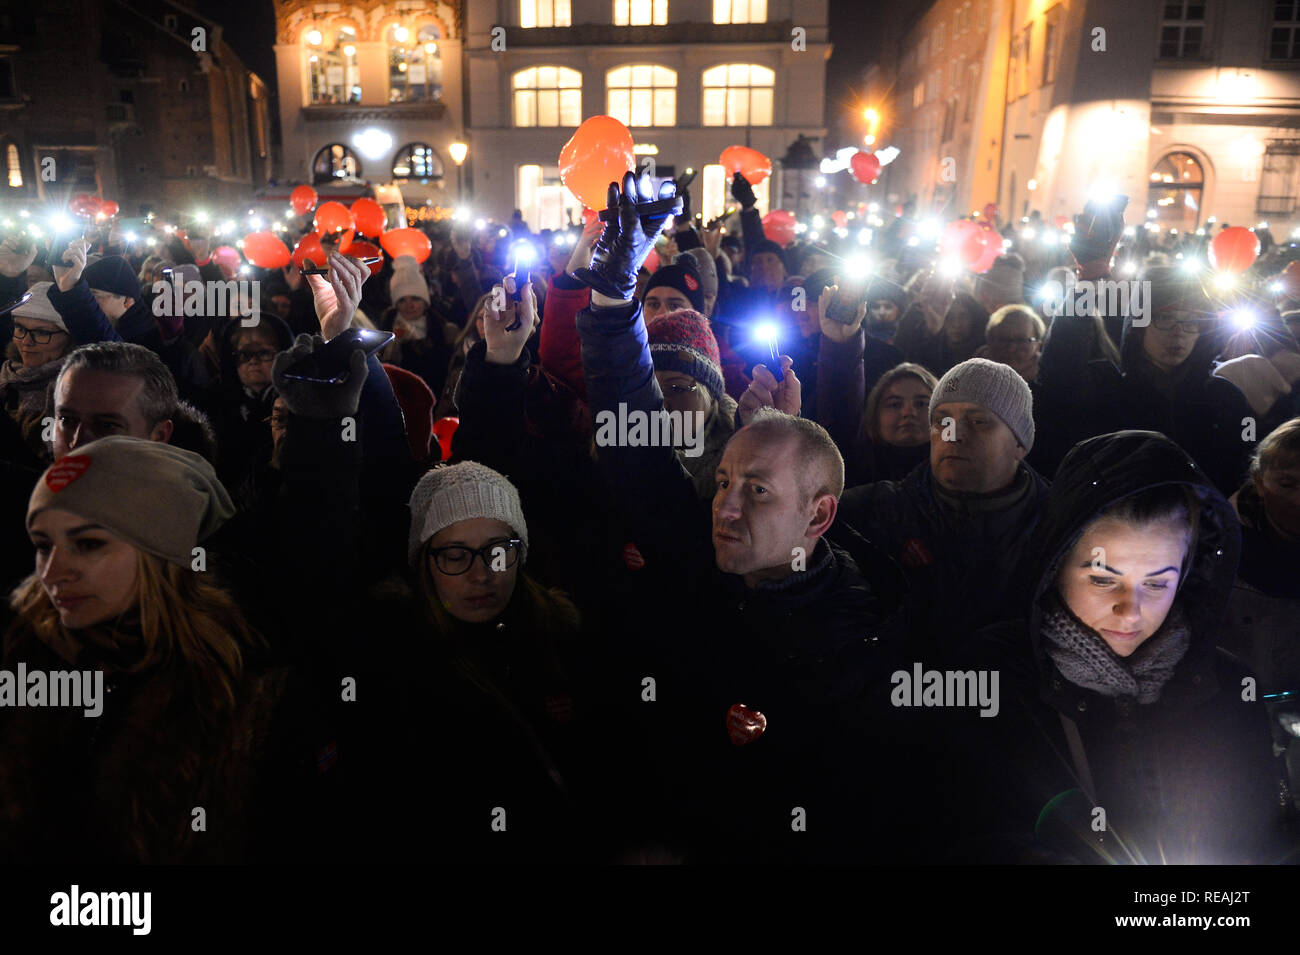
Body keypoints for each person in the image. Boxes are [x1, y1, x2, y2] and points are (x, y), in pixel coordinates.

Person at [572, 171, 907, 862]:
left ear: (819, 517)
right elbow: (633, 438)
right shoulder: (695, 560)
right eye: (724, 479)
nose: (724, 504)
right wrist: (612, 296)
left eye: (757, 490)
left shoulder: (878, 625)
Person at [957, 431, 1282, 864]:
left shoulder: (1230, 687)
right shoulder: (995, 676)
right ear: (1055, 566)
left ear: (1186, 575)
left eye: (1157, 583)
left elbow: (1255, 838)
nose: (1130, 611)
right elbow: (965, 828)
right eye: (1103, 579)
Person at [0, 437, 293, 863]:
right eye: (43, 545)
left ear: (159, 553)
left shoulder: (249, 701)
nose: (51, 572)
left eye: (88, 544)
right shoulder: (20, 662)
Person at [834, 357, 1049, 659]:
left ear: (1020, 443)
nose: (952, 434)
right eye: (942, 421)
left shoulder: (1059, 528)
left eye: (978, 421)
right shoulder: (869, 515)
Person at [2, 283, 74, 460]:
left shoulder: (75, 392)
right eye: (20, 328)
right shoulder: (7, 374)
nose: (26, 341)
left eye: (41, 332)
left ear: (69, 337)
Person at [378, 254, 456, 397]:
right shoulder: (386, 325)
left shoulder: (441, 328)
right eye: (402, 300)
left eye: (415, 298)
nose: (409, 305)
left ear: (425, 301)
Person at [979, 304, 1045, 382]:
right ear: (990, 342)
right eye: (1002, 339)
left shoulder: (1052, 378)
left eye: (1021, 340)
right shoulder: (973, 376)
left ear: (1038, 345)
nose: (1011, 348)